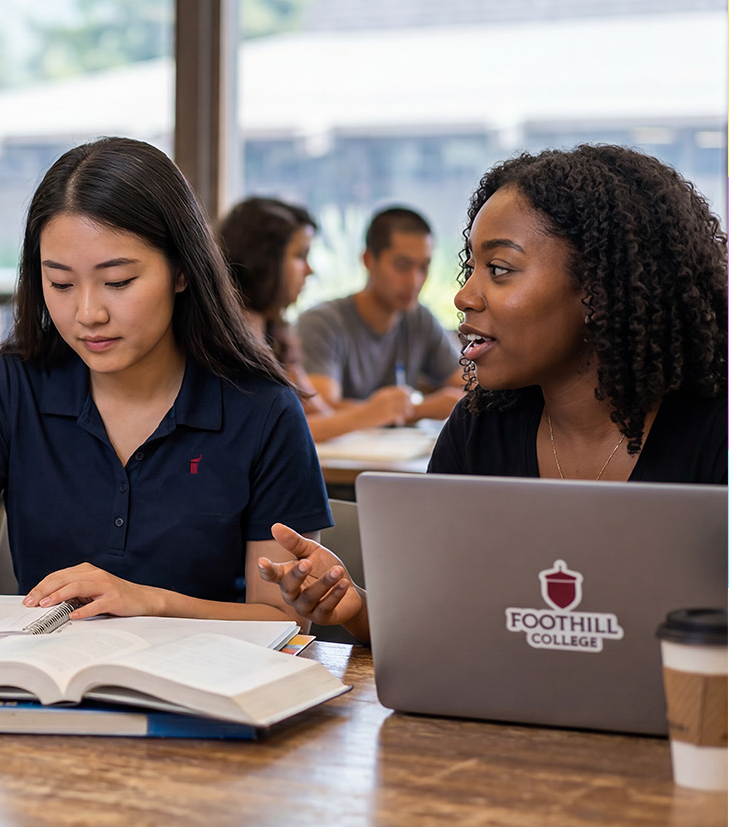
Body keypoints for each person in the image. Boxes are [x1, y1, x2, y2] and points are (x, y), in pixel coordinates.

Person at [258, 144, 728, 644]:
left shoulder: (713, 432)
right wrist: (357, 608)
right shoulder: (479, 428)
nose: (464, 296)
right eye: (472, 268)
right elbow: (444, 628)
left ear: (598, 288)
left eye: (500, 269)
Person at [0, 137, 332, 628]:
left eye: (118, 282)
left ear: (181, 271)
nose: (87, 314)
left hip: (203, 693)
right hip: (41, 687)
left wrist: (148, 601)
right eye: (60, 283)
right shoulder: (12, 386)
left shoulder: (263, 410)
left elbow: (283, 621)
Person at [217, 197, 418, 441]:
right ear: (263, 260)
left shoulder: (274, 334)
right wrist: (368, 414)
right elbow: (275, 432)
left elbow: (314, 409)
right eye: (301, 255)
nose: (309, 270)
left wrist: (377, 411)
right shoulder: (224, 340)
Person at [296, 206, 465, 423]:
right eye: (402, 266)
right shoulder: (322, 323)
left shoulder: (420, 319)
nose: (415, 281)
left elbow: (465, 386)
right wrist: (420, 409)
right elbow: (321, 408)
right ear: (368, 260)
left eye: (423, 267)